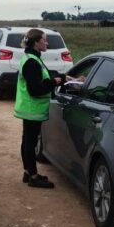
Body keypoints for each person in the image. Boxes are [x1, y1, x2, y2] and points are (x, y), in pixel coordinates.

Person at [14, 29, 79, 188]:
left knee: (27, 141)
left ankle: (28, 172)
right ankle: (33, 176)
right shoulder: (32, 62)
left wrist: (61, 78)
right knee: (30, 143)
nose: (47, 43)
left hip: (29, 108)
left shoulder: (31, 58)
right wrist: (55, 81)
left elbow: (41, 79)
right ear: (36, 43)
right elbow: (36, 89)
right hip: (32, 109)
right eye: (44, 40)